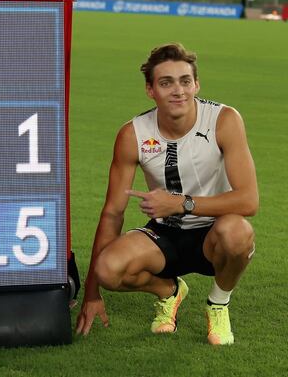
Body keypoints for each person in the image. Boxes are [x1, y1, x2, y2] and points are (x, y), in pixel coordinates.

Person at [75, 43, 258, 345]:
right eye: (166, 82)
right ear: (150, 90)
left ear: (196, 84)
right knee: (108, 269)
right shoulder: (132, 134)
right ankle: (169, 292)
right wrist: (92, 293)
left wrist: (180, 203)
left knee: (238, 231)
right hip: (165, 237)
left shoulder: (224, 120)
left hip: (215, 232)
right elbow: (112, 213)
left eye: (185, 81)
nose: (178, 91)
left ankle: (218, 303)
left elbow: (249, 200)